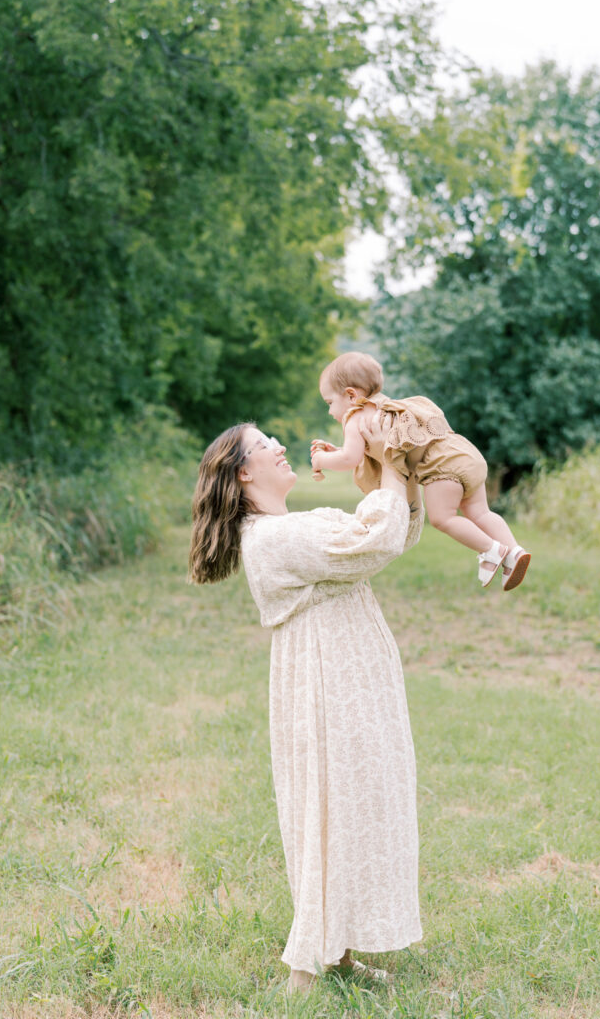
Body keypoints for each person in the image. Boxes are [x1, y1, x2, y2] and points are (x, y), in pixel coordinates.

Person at [188, 417, 424, 991]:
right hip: (327, 681)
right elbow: (376, 538)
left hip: (350, 674)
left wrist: (396, 477)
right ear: (245, 473)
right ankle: (304, 970)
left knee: (354, 801)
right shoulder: (273, 537)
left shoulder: (293, 525)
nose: (281, 447)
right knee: (329, 802)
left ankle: (338, 951)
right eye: (268, 446)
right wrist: (390, 465)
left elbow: (391, 530)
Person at [310, 351, 531, 590]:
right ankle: (514, 552)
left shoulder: (356, 417)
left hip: (441, 468)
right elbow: (363, 450)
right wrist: (339, 451)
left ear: (351, 395)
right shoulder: (393, 407)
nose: (330, 412)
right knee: (480, 512)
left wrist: (322, 459)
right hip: (465, 453)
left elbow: (349, 459)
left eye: (330, 403)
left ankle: (492, 550)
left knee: (442, 518)